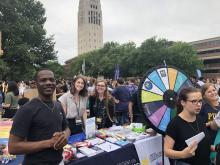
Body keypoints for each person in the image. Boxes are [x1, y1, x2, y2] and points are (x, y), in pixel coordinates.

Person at [8, 69, 70, 165]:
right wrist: (49, 143)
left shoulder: (58, 105)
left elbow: (66, 128)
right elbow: (13, 147)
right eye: (43, 80)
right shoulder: (26, 109)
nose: (48, 82)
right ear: (36, 84)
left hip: (59, 161)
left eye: (51, 79)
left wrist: (64, 136)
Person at [164, 87, 211, 165]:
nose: (199, 104)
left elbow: (202, 144)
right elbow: (167, 151)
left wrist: (215, 148)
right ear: (183, 102)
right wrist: (183, 154)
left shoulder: (199, 119)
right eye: (194, 101)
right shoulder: (175, 123)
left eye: (200, 101)